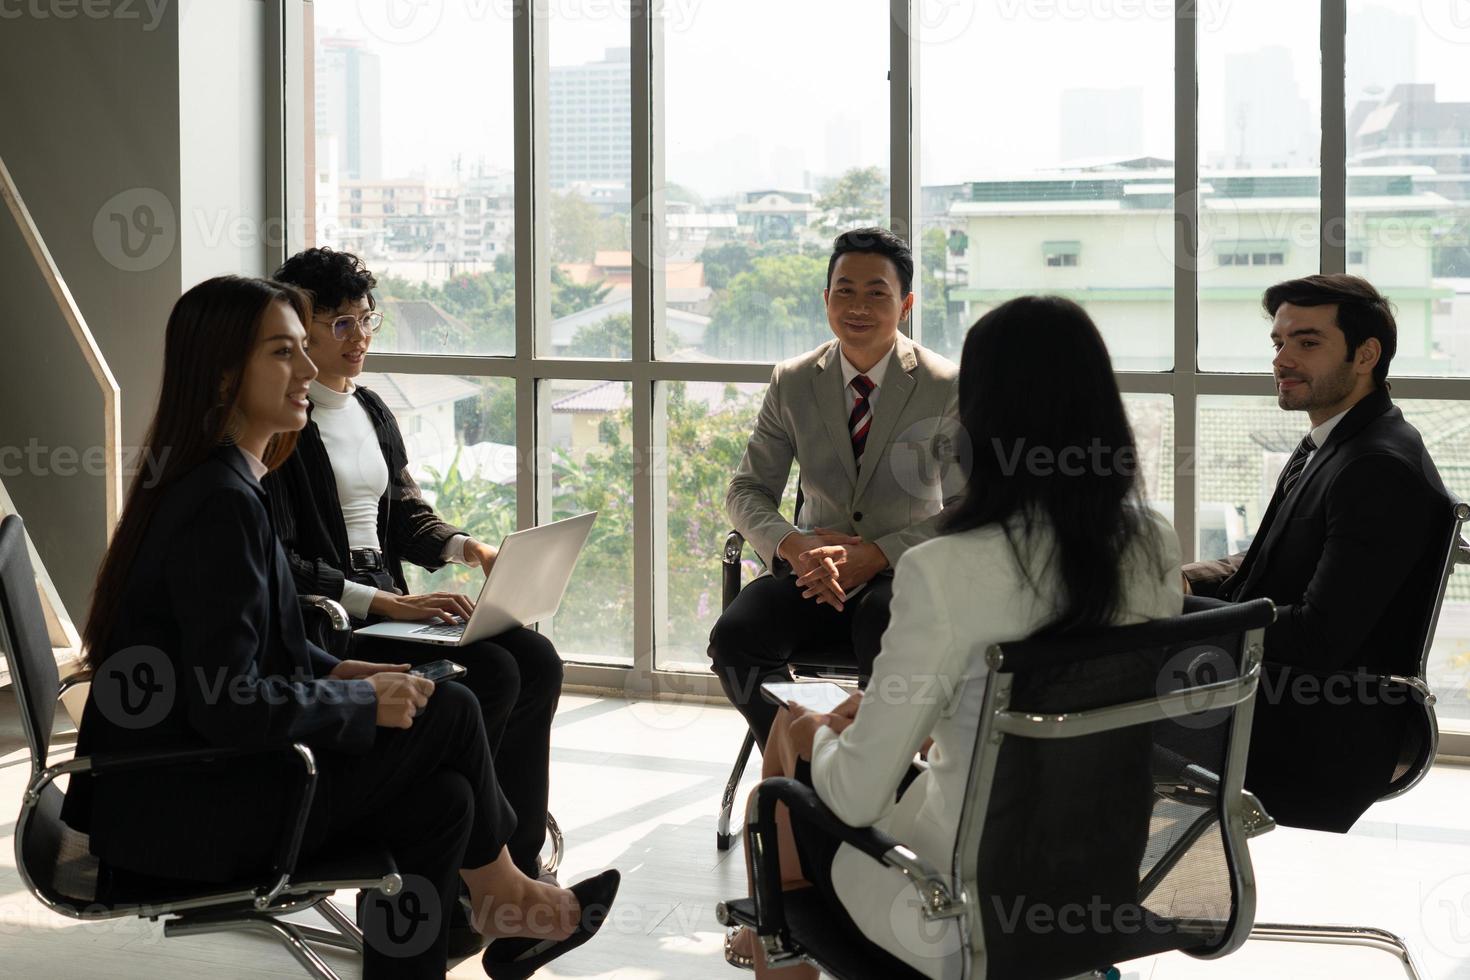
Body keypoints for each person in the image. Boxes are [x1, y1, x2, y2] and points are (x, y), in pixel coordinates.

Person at [61, 276, 617, 979]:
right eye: (282, 353)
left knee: (442, 801)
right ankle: (509, 897)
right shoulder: (218, 504)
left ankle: (501, 901)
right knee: (449, 707)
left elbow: (261, 651)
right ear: (224, 370)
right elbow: (226, 702)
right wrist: (358, 700)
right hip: (180, 810)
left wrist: (341, 673)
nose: (307, 370)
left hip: (189, 787)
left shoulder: (229, 481)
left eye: (303, 349)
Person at [726, 295, 1182, 979]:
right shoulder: (1151, 541)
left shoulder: (944, 569)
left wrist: (815, 732)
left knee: (781, 781)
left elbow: (854, 798)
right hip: (1103, 885)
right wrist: (925, 715)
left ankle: (774, 944)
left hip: (957, 909)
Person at [262, 247, 561, 883]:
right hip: (337, 617)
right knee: (495, 673)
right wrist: (387, 603)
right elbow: (280, 560)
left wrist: (468, 548)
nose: (358, 337)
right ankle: (463, 864)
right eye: (339, 323)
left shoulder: (370, 408)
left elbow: (404, 514)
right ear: (298, 326)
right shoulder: (284, 422)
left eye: (366, 319)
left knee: (536, 660)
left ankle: (520, 860)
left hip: (389, 603)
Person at [1183, 274, 1449, 832]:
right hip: (1283, 696)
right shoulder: (1340, 441)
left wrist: (1175, 619)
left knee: (1079, 714)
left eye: (1308, 343)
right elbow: (1275, 557)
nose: (1283, 359)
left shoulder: (1375, 467)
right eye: (1279, 343)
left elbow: (1319, 636)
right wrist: (1186, 581)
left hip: (1318, 723)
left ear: (1366, 355)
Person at [710, 227, 964, 750]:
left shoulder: (947, 385)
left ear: (906, 304)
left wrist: (878, 554)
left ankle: (883, 781)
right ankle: (807, 755)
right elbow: (747, 489)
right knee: (735, 639)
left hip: (903, 576)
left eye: (877, 293)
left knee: (885, 622)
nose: (858, 306)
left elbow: (970, 508)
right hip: (813, 574)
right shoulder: (794, 379)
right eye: (844, 290)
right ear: (826, 299)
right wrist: (794, 546)